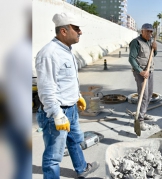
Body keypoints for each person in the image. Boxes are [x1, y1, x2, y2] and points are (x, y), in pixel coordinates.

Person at [35, 12, 99, 178]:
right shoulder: (50, 53)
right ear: (63, 31)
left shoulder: (66, 50)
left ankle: (82, 168)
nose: (80, 32)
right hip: (57, 113)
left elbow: (67, 80)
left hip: (70, 109)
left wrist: (77, 96)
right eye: (76, 28)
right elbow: (46, 89)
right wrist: (57, 114)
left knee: (74, 141)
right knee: (53, 157)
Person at [128, 23, 157, 130]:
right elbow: (131, 59)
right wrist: (141, 71)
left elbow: (152, 55)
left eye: (151, 31)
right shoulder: (136, 42)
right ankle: (140, 120)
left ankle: (143, 113)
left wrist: (155, 48)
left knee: (149, 94)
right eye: (147, 31)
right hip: (140, 73)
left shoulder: (150, 42)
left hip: (150, 71)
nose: (150, 33)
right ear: (142, 31)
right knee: (143, 95)